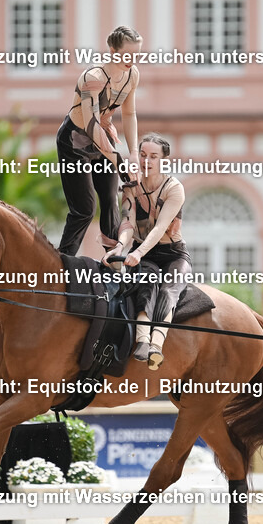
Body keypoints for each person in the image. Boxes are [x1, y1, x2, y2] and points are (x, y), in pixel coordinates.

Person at [102, 132, 189, 370]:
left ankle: (156, 346)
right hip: (145, 253)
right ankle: (141, 342)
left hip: (173, 254)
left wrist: (137, 253)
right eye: (142, 155)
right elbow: (128, 222)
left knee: (169, 291)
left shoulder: (174, 189)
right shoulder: (130, 187)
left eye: (153, 156)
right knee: (145, 286)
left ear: (163, 160)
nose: (146, 161)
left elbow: (161, 227)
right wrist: (120, 246)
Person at [57, 26, 143, 256]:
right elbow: (91, 125)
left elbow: (129, 114)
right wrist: (118, 161)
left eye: (136, 55)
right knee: (84, 209)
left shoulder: (131, 75)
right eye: (127, 54)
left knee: (109, 200)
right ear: (113, 50)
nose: (132, 60)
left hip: (102, 138)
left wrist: (133, 153)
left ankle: (112, 260)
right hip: (75, 142)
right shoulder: (92, 78)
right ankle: (62, 263)